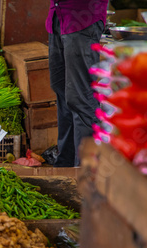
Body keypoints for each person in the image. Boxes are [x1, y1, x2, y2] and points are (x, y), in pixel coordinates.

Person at [46, 0, 108, 167]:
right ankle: (65, 165)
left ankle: (85, 170)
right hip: (58, 17)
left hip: (81, 21)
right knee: (61, 90)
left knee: (80, 97)